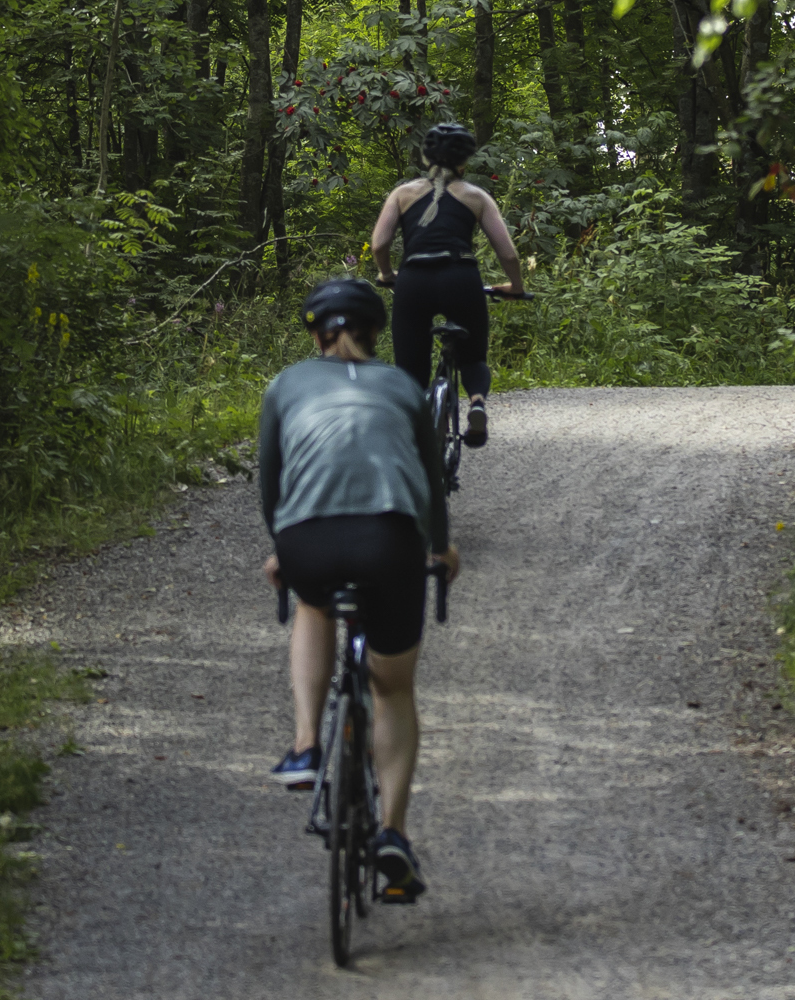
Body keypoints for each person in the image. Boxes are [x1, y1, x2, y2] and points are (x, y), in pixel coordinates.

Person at [258, 276, 460, 904]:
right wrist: (440, 549)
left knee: (313, 605)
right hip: (390, 539)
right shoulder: (402, 386)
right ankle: (394, 837)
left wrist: (282, 549)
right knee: (393, 687)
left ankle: (306, 747)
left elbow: (273, 479)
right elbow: (430, 483)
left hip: (308, 539)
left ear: (314, 331)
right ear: (375, 332)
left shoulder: (286, 385)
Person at [368, 122, 526, 448]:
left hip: (414, 281)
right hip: (461, 278)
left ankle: (413, 430)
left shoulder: (402, 194)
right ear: (464, 161)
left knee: (410, 366)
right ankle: (478, 404)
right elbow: (507, 252)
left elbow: (379, 245)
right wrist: (515, 285)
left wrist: (386, 274)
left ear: (426, 157)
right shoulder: (476, 196)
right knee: (473, 357)